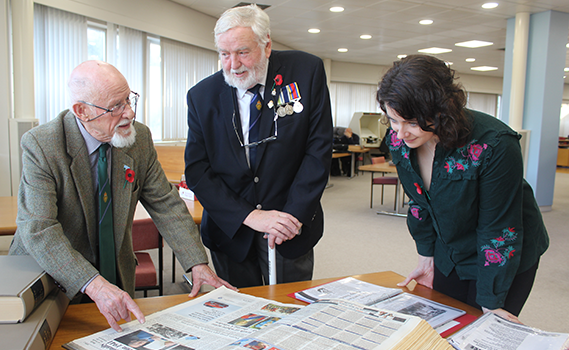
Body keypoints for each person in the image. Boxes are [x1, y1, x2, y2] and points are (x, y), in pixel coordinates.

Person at [9, 60, 234, 332]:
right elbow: (39, 228)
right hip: (50, 277)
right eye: (115, 106)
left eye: (129, 100)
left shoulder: (138, 139)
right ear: (82, 111)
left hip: (114, 273)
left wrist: (197, 263)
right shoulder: (43, 145)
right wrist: (94, 284)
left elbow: (165, 203)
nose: (129, 113)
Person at [376, 55, 549, 323]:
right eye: (393, 120)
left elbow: (499, 228)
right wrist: (426, 258)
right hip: (452, 248)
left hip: (503, 251)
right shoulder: (400, 141)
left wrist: (491, 303)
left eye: (412, 122)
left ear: (443, 109)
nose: (400, 133)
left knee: (481, 330)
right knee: (445, 324)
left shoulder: (495, 145)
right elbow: (421, 204)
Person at [184, 4, 333, 288]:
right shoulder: (201, 96)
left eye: (242, 52)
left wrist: (293, 217)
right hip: (230, 231)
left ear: (266, 46)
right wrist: (250, 216)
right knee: (240, 316)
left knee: (290, 312)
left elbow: (318, 151)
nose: (233, 65)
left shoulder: (306, 71)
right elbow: (198, 170)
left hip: (289, 226)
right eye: (224, 54)